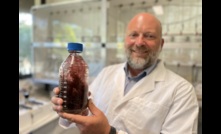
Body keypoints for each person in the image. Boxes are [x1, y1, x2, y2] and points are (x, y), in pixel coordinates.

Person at [51, 12, 199, 134]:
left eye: (149, 36)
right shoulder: (106, 73)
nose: (139, 42)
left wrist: (109, 132)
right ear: (125, 41)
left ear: (161, 44)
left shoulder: (182, 91)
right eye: (133, 35)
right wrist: (67, 109)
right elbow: (84, 113)